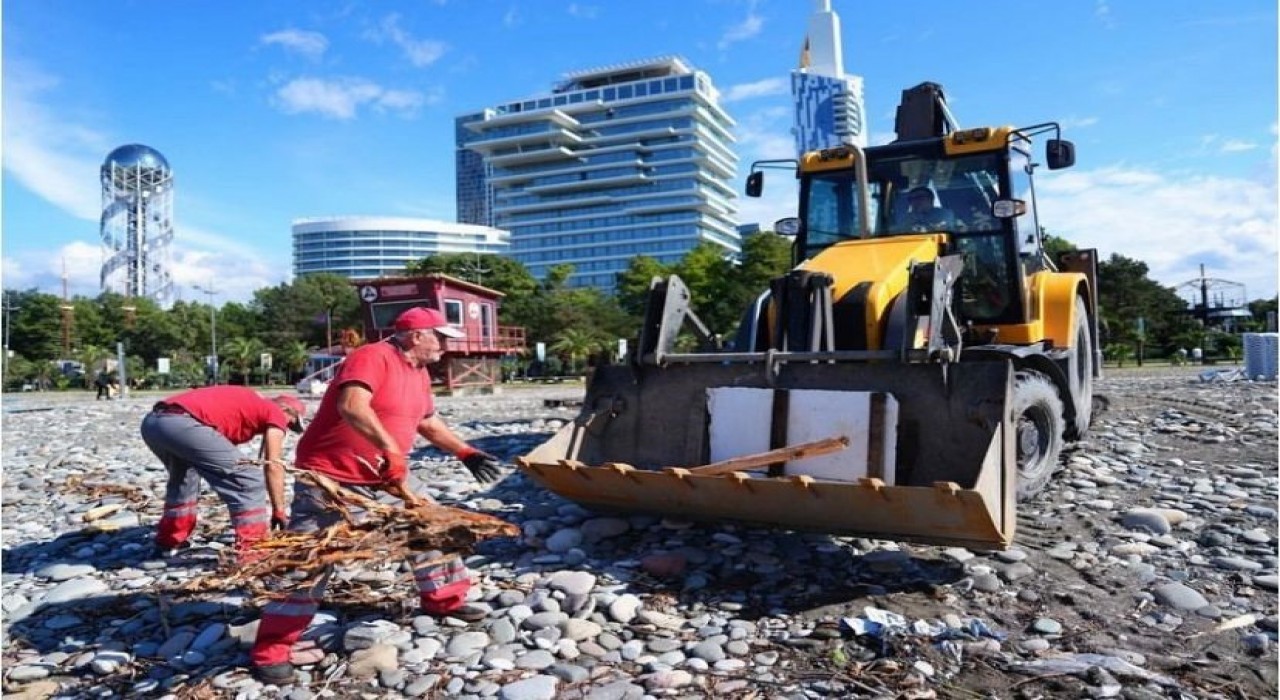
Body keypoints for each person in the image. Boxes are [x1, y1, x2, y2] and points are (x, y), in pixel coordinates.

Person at [250, 306, 504, 684]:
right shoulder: (372, 356)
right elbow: (351, 406)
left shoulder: (418, 374)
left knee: (431, 529)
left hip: (386, 477)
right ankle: (272, 648)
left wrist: (465, 452)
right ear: (417, 336)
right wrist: (392, 449)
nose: (445, 346)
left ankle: (444, 599)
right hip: (330, 477)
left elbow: (427, 422)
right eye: (441, 337)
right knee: (310, 557)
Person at [140, 387, 308, 558]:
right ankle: (253, 551)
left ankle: (169, 541)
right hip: (183, 424)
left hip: (154, 423)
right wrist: (279, 510)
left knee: (184, 478)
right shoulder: (274, 411)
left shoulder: (248, 402)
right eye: (290, 423)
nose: (286, 428)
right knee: (248, 479)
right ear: (286, 409)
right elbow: (273, 465)